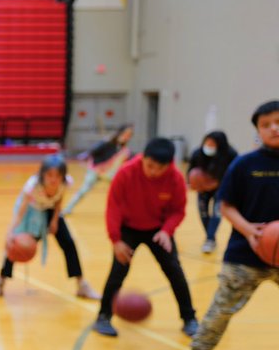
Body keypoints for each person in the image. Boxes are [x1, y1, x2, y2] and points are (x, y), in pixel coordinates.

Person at [176, 101, 279, 350]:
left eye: (278, 121)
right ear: (258, 130)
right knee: (221, 309)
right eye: (266, 124)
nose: (274, 128)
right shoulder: (245, 164)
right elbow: (225, 205)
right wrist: (249, 231)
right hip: (246, 254)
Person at [92, 137, 198, 338]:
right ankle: (103, 317)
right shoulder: (125, 173)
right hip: (128, 229)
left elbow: (178, 210)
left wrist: (167, 231)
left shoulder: (175, 178)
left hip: (158, 230)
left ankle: (189, 318)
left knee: (174, 270)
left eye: (160, 168)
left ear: (169, 165)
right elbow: (113, 206)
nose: (153, 172)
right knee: (117, 271)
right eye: (149, 166)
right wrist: (116, 240)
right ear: (143, 158)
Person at [0, 155, 98, 299]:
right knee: (16, 245)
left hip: (51, 210)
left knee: (69, 243)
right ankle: (0, 282)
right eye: (49, 175)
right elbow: (20, 211)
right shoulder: (32, 186)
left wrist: (55, 220)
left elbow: (59, 200)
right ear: (42, 174)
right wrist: (10, 232)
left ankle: (81, 285)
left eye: (58, 175)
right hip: (31, 213)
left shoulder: (66, 182)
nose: (53, 179)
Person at [63, 124, 134, 216]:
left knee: (120, 191)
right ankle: (68, 208)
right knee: (84, 190)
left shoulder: (124, 150)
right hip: (96, 170)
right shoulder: (108, 142)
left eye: (129, 135)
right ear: (120, 133)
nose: (126, 137)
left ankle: (123, 211)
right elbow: (94, 151)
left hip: (109, 174)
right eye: (125, 134)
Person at [187, 131, 238, 254]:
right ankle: (211, 237)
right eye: (207, 142)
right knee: (203, 213)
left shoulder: (230, 154)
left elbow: (236, 173)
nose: (208, 145)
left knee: (217, 213)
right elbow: (190, 170)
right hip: (203, 187)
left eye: (212, 143)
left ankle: (209, 239)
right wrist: (190, 182)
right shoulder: (197, 153)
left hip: (221, 187)